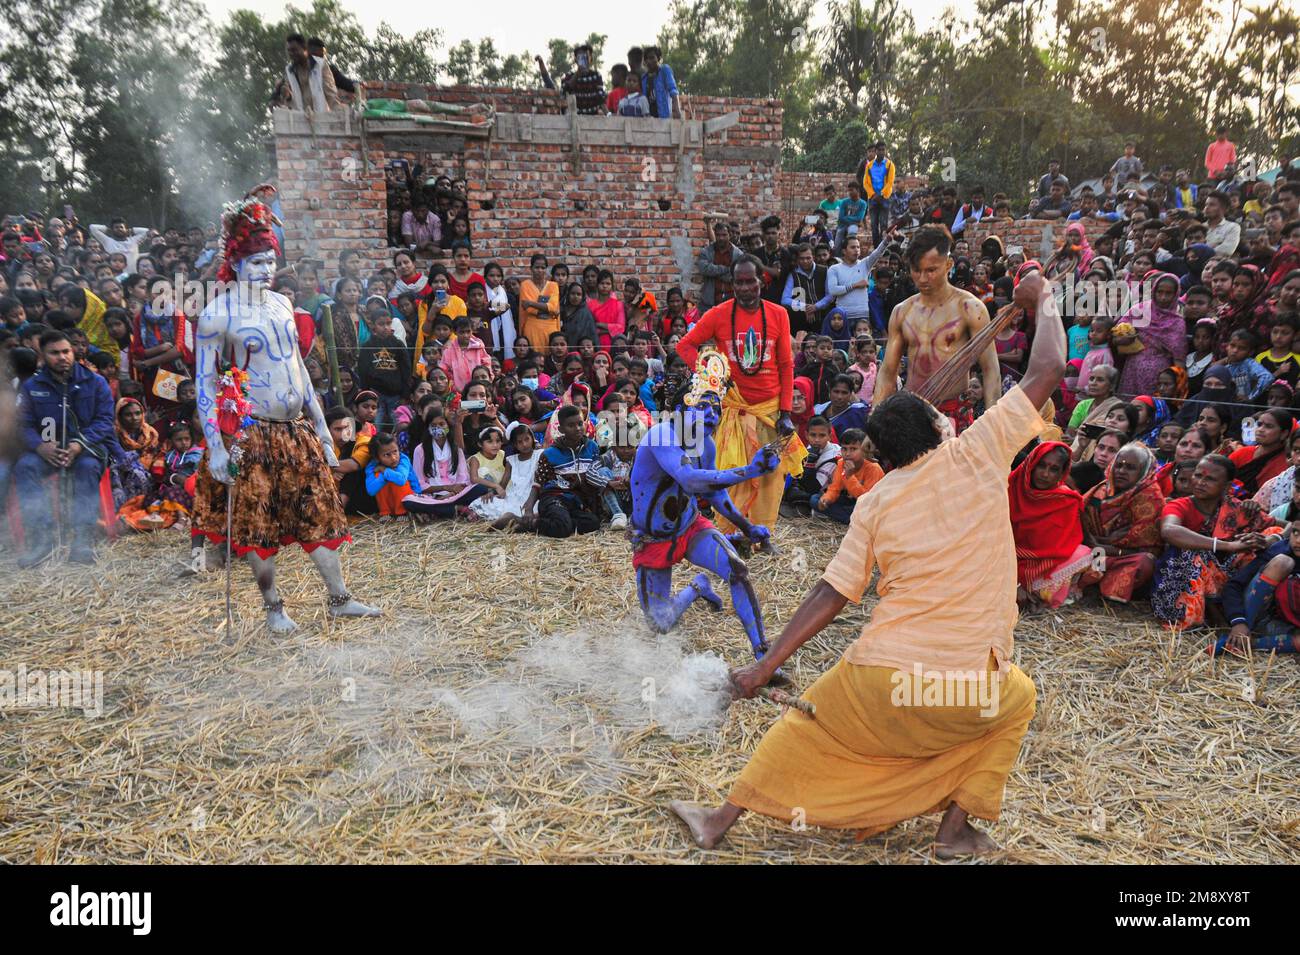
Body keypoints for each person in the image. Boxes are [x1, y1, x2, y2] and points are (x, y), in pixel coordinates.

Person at [670, 271, 1064, 857]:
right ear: (938, 428)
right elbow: (1047, 371)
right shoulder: (977, 451)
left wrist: (761, 669)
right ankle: (954, 831)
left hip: (879, 680)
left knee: (803, 729)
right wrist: (1044, 298)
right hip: (974, 686)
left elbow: (832, 592)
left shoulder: (875, 499)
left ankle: (717, 823)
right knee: (1020, 699)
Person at [191, 194, 376, 633]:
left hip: (297, 430)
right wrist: (216, 447)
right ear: (234, 264)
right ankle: (274, 609)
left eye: (271, 261)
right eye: (256, 262)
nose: (266, 270)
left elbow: (300, 372)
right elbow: (204, 384)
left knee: (320, 512)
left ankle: (340, 598)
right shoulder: (217, 315)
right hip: (251, 434)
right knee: (259, 523)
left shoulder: (281, 306)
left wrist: (321, 427)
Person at [630, 346, 782, 661]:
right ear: (682, 410)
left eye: (717, 407)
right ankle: (698, 587)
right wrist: (750, 471)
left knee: (738, 570)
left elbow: (714, 495)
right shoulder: (661, 435)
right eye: (704, 406)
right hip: (654, 540)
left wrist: (748, 527)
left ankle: (762, 654)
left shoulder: (707, 445)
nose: (713, 414)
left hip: (691, 528)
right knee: (660, 624)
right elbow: (690, 480)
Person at [676, 257, 804, 536]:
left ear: (762, 281)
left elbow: (786, 365)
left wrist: (785, 413)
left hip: (770, 412)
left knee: (771, 474)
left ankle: (762, 534)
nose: (746, 288)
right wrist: (714, 375)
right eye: (739, 282)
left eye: (751, 281)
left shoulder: (778, 314)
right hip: (734, 409)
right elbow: (685, 346)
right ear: (732, 285)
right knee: (734, 474)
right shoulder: (719, 314)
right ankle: (732, 533)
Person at [874, 225, 1002, 424]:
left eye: (931, 270)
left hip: (953, 412)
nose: (923, 278)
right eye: (916, 271)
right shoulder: (902, 311)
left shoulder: (970, 308)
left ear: (949, 264)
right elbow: (888, 371)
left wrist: (992, 420)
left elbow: (990, 368)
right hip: (913, 411)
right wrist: (875, 418)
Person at [13, 330, 116, 566]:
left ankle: (82, 540)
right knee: (25, 467)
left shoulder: (95, 382)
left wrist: (79, 444)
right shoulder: (32, 386)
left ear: (74, 352)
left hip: (85, 451)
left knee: (88, 468)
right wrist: (39, 447)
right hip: (45, 452)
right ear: (43, 355)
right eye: (54, 353)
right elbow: (22, 424)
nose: (62, 357)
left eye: (66, 351)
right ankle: (43, 540)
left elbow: (104, 421)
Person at [1153, 454, 1282, 629]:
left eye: (1210, 479)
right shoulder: (1179, 505)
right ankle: (1213, 616)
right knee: (1194, 552)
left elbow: (1289, 526)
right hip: (1180, 586)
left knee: (1264, 539)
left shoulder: (1238, 508)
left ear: (1227, 486)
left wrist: (1269, 539)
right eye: (1198, 476)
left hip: (1226, 580)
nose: (1200, 482)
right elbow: (1169, 531)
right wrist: (1227, 545)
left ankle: (1241, 610)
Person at [1078, 443, 1166, 603]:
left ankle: (1105, 592)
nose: (1121, 471)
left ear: (1144, 471)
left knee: (1143, 563)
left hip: (1124, 556)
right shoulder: (1100, 491)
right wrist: (1095, 543)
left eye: (1131, 468)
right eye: (1118, 465)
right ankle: (1090, 586)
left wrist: (1107, 547)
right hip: (1093, 550)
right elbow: (1078, 518)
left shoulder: (1151, 497)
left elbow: (1147, 544)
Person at [1009, 442, 1089, 610]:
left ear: (1062, 473)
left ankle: (1039, 596)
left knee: (1085, 554)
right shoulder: (1011, 488)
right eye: (1041, 466)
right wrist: (1016, 584)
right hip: (1005, 563)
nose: (1045, 474)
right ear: (1031, 463)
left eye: (1053, 469)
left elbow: (1065, 545)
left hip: (1043, 567)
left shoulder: (1066, 500)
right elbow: (993, 542)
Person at [533, 404, 602, 537]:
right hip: (555, 497)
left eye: (580, 424)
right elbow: (538, 483)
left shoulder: (592, 447)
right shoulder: (549, 454)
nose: (577, 429)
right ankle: (531, 523)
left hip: (577, 501)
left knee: (593, 523)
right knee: (562, 527)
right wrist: (529, 507)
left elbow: (596, 473)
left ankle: (560, 522)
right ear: (561, 429)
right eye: (571, 425)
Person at [809, 427, 882, 524]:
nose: (847, 454)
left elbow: (866, 500)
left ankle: (851, 519)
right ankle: (849, 518)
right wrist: (826, 500)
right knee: (815, 499)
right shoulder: (841, 463)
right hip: (851, 501)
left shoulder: (873, 468)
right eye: (844, 449)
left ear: (864, 450)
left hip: (869, 506)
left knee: (859, 510)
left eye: (853, 449)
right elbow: (835, 488)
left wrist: (850, 476)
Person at [282, 32, 340, 112]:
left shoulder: (320, 65)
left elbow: (331, 93)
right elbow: (289, 97)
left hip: (321, 118)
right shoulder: (289, 71)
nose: (291, 54)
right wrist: (287, 95)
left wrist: (338, 112)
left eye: (294, 50)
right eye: (289, 51)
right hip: (299, 120)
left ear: (304, 49)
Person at [861, 142, 895, 246]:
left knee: (883, 225)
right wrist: (873, 194)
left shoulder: (890, 165)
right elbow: (865, 183)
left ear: (885, 151)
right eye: (879, 150)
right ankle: (876, 248)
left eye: (883, 150)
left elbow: (890, 182)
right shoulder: (869, 166)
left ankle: (883, 248)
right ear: (876, 151)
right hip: (872, 199)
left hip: (884, 198)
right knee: (874, 225)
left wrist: (881, 194)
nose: (881, 152)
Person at [560, 44, 606, 115]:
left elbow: (601, 98)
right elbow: (565, 90)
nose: (584, 60)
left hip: (593, 117)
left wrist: (608, 114)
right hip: (574, 117)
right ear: (576, 60)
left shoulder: (596, 76)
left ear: (591, 59)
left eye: (586, 57)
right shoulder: (569, 76)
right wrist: (578, 73)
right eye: (580, 57)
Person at [640, 46, 680, 120]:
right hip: (648, 120)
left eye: (652, 58)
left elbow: (673, 90)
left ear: (658, 58)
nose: (649, 61)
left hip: (664, 118)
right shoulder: (644, 79)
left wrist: (677, 109)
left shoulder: (664, 70)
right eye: (646, 59)